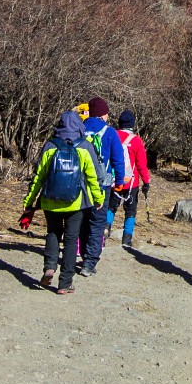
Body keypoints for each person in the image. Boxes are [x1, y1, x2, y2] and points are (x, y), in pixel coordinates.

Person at [20, 110, 104, 295]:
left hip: (50, 200)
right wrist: (98, 199)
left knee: (52, 232)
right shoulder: (84, 146)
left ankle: (49, 267)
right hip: (76, 202)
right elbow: (94, 176)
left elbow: (38, 177)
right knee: (71, 239)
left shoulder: (50, 145)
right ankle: (65, 282)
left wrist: (30, 202)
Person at [79, 98, 129, 275]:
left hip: (80, 183)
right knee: (97, 221)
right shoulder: (109, 132)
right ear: (103, 114)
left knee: (82, 220)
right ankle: (90, 262)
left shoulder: (79, 128)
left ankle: (84, 255)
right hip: (102, 184)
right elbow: (118, 160)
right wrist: (120, 182)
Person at [112, 110, 152, 248]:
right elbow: (142, 165)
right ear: (132, 124)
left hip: (113, 181)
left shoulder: (113, 136)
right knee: (130, 210)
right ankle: (126, 239)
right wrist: (146, 181)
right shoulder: (136, 141)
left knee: (111, 208)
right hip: (131, 183)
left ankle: (103, 234)